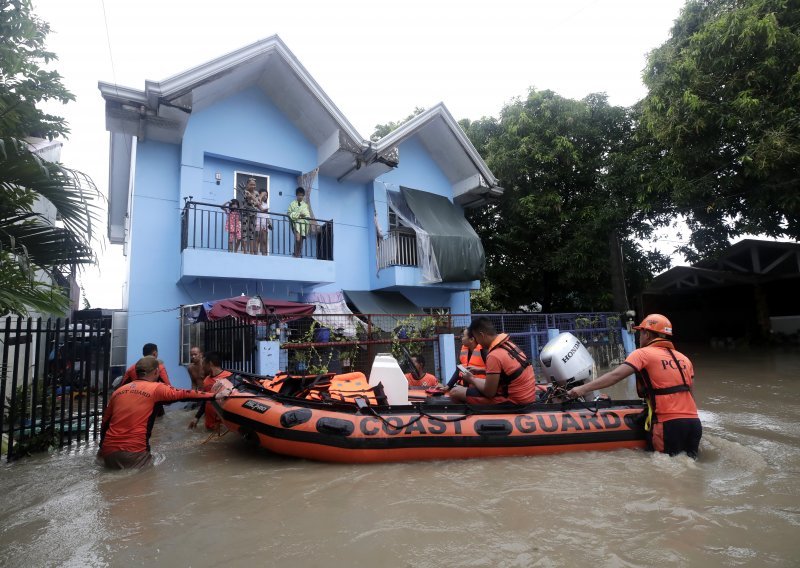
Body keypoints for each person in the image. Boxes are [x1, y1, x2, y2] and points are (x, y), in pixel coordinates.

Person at [568, 314, 702, 459]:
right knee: (690, 464)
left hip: (668, 423)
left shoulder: (642, 354)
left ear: (648, 334)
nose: (639, 336)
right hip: (694, 423)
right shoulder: (684, 359)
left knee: (666, 472)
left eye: (641, 332)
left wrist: (581, 389)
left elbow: (615, 376)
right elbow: (691, 394)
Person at [98, 357, 230, 469]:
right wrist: (215, 396)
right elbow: (185, 394)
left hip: (108, 453)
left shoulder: (118, 392)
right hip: (134, 453)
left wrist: (101, 449)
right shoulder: (156, 388)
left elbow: (105, 422)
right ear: (156, 372)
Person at [448, 317, 537, 405]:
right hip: (526, 395)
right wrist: (481, 370)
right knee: (474, 384)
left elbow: (489, 393)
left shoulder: (494, 356)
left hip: (514, 400)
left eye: (476, 338)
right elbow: (508, 372)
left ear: (481, 335)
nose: (478, 342)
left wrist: (471, 379)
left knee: (455, 392)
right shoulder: (509, 345)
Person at [188, 351, 233, 431]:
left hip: (222, 428)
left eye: (204, 363)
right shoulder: (206, 380)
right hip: (209, 425)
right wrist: (197, 418)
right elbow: (205, 400)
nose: (202, 366)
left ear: (210, 364)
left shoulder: (229, 377)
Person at [287, 187, 311, 257]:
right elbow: (288, 213)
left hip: (304, 225)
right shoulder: (292, 204)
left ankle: (298, 254)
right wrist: (298, 214)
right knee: (298, 239)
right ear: (296, 195)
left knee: (301, 241)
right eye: (299, 195)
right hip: (296, 223)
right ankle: (295, 253)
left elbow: (307, 215)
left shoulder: (305, 205)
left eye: (302, 195)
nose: (300, 196)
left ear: (303, 196)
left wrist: (301, 215)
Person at [242, 178, 260, 254]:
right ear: (247, 185)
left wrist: (254, 201)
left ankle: (252, 251)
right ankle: (245, 251)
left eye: (254, 185)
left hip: (253, 213)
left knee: (252, 232)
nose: (253, 186)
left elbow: (258, 203)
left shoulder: (256, 193)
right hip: (245, 213)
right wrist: (253, 200)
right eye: (251, 184)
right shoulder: (245, 192)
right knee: (244, 231)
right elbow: (249, 201)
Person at [255, 187, 272, 255]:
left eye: (267, 195)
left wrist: (269, 223)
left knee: (264, 240)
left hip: (265, 224)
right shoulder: (257, 202)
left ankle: (264, 255)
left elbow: (267, 215)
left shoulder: (266, 204)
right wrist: (260, 196)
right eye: (264, 194)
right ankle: (255, 254)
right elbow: (257, 204)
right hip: (258, 223)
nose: (266, 196)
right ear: (260, 194)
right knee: (257, 240)